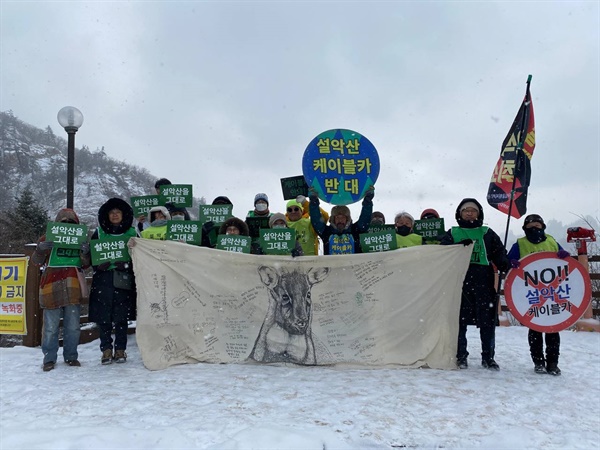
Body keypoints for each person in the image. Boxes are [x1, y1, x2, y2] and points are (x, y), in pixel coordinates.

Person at [440, 198, 509, 371]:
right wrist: (456, 247)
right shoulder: (453, 232)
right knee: (459, 322)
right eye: (466, 210)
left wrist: (504, 263)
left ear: (479, 214)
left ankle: (488, 357)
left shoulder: (486, 232)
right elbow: (442, 253)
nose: (470, 213)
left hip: (483, 280)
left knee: (487, 322)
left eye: (473, 210)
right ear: (459, 213)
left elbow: (498, 252)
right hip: (459, 281)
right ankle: (461, 356)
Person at [507, 214, 570, 376]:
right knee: (535, 329)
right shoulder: (520, 244)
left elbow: (565, 263)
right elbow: (508, 262)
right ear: (525, 228)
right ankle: (538, 362)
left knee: (553, 330)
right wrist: (512, 262)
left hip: (552, 295)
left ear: (542, 226)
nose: (534, 228)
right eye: (530, 226)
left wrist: (564, 255)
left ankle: (553, 363)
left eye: (537, 225)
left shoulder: (551, 241)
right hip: (531, 295)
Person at [32, 208, 91, 371]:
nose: (67, 225)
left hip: (72, 287)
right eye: (63, 222)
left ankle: (71, 356)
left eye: (70, 222)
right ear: (57, 223)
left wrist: (86, 253)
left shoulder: (80, 240)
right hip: (51, 287)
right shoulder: (46, 238)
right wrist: (40, 249)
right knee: (50, 327)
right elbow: (36, 262)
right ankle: (49, 358)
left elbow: (86, 264)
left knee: (73, 326)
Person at [89, 198, 138, 365]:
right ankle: (106, 350)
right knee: (103, 317)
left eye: (118, 212)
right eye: (112, 212)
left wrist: (127, 265)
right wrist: (97, 266)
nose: (115, 214)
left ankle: (120, 350)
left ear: (123, 214)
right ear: (107, 215)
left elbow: (141, 257)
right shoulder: (99, 232)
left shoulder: (132, 233)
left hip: (123, 280)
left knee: (121, 317)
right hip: (103, 280)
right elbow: (90, 256)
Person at [309, 186, 374, 255]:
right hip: (332, 265)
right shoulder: (326, 232)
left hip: (354, 265)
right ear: (333, 219)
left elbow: (365, 218)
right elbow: (316, 219)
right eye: (337, 217)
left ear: (347, 219)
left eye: (343, 217)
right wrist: (313, 201)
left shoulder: (356, 230)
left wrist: (368, 201)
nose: (340, 220)